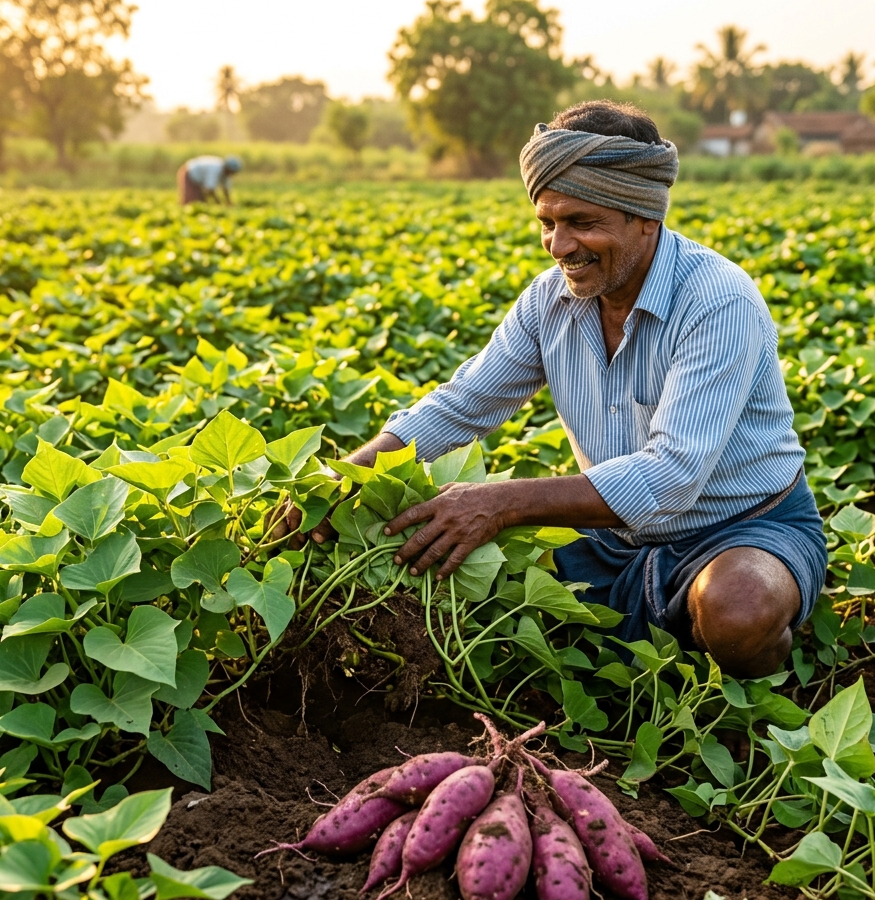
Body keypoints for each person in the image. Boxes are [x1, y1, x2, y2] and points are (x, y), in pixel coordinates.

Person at [295, 100, 828, 680]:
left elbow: (673, 475)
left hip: (742, 528)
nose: (558, 245)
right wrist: (342, 477)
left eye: (582, 222)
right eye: (548, 222)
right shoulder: (550, 302)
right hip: (611, 535)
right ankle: (650, 642)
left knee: (736, 611)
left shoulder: (717, 299)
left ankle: (762, 655)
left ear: (645, 216)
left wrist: (498, 503)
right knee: (445, 562)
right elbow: (464, 403)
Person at [177, 154, 241, 204]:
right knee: (191, 199)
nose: (231, 174)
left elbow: (225, 189)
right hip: (190, 172)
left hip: (200, 179)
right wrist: (218, 202)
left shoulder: (226, 174)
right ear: (227, 168)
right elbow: (209, 190)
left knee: (201, 200)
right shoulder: (215, 169)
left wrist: (228, 202)